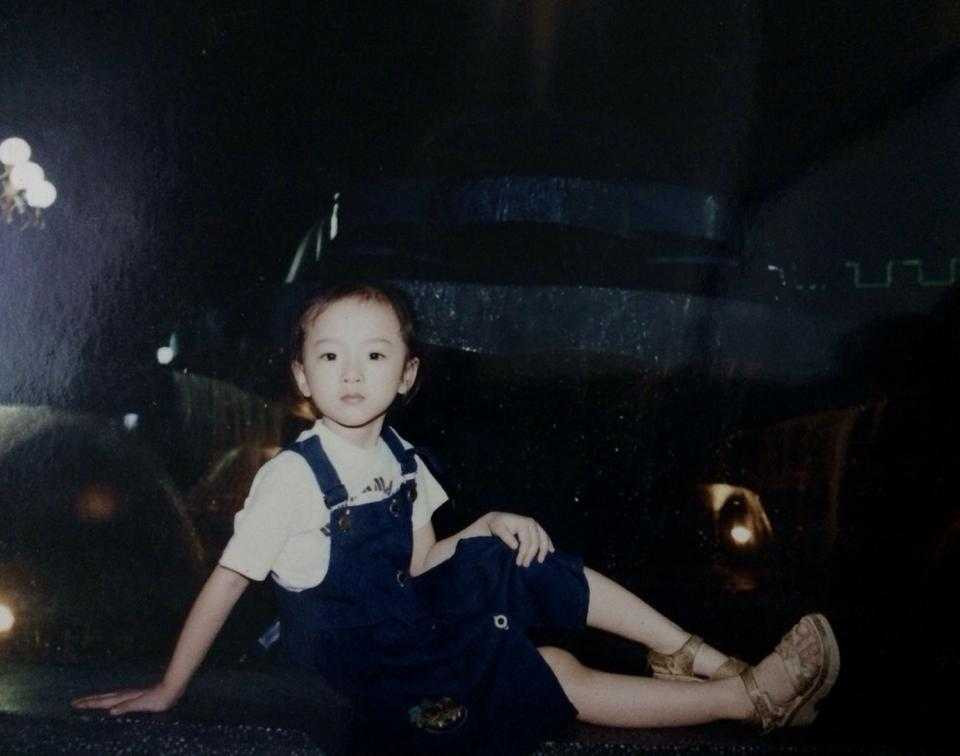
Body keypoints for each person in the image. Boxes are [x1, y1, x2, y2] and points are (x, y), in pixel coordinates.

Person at [73, 282, 840, 754]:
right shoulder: (292, 478)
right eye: (331, 356)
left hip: (407, 623)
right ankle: (747, 698)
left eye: (375, 356)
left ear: (407, 374)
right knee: (545, 669)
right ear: (302, 375)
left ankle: (699, 657)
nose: (352, 373)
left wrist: (485, 525)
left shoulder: (401, 457)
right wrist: (169, 688)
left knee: (520, 557)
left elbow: (417, 563)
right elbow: (228, 582)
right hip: (360, 672)